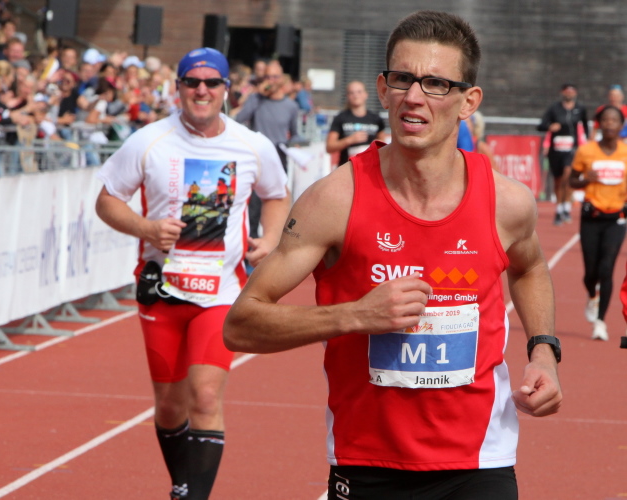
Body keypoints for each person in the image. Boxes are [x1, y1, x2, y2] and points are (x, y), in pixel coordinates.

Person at [224, 10, 563, 499]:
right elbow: (241, 324)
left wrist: (544, 352)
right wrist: (355, 315)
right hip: (368, 463)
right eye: (403, 79)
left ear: (469, 101)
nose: (414, 97)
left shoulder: (506, 202)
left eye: (436, 84)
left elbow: (530, 268)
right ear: (383, 90)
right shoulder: (334, 200)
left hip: (479, 461)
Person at [94, 47, 289, 500]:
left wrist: (272, 237)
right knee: (169, 407)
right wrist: (146, 228)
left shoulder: (251, 144)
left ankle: (193, 496)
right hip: (162, 291)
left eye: (211, 82)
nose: (202, 90)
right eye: (192, 82)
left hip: (221, 293)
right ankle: (182, 484)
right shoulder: (149, 141)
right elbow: (106, 201)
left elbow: (277, 195)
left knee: (203, 397)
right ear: (178, 88)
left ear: (226, 90)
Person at [569, 105, 627, 341]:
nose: (610, 123)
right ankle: (591, 295)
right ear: (599, 124)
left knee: (607, 269)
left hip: (617, 219)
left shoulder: (625, 152)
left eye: (614, 120)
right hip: (591, 217)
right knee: (591, 272)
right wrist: (585, 179)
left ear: (621, 125)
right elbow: (572, 181)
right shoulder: (586, 151)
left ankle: (600, 322)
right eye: (606, 120)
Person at [234, 59, 300, 243]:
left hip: (279, 157)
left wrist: (294, 145)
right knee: (253, 206)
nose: (271, 81)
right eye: (267, 77)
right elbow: (239, 119)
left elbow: (295, 133)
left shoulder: (290, 106)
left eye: (275, 77)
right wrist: (257, 96)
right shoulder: (256, 99)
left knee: (277, 202)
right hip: (256, 159)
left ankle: (273, 243)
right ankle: (250, 244)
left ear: (282, 78)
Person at [537, 83, 589, 225]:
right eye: (567, 91)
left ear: (575, 93)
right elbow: (541, 125)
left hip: (572, 149)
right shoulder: (554, 108)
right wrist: (550, 126)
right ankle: (559, 209)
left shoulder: (580, 109)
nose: (569, 94)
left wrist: (584, 144)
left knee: (568, 175)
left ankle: (567, 207)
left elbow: (585, 127)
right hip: (556, 149)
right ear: (562, 93)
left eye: (572, 91)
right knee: (558, 180)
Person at [326, 80, 386, 166]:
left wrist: (375, 144)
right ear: (347, 96)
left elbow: (383, 143)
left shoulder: (376, 119)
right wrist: (350, 140)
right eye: (352, 93)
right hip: (347, 167)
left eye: (359, 92)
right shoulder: (340, 118)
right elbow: (329, 147)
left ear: (366, 94)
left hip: (369, 167)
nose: (356, 95)